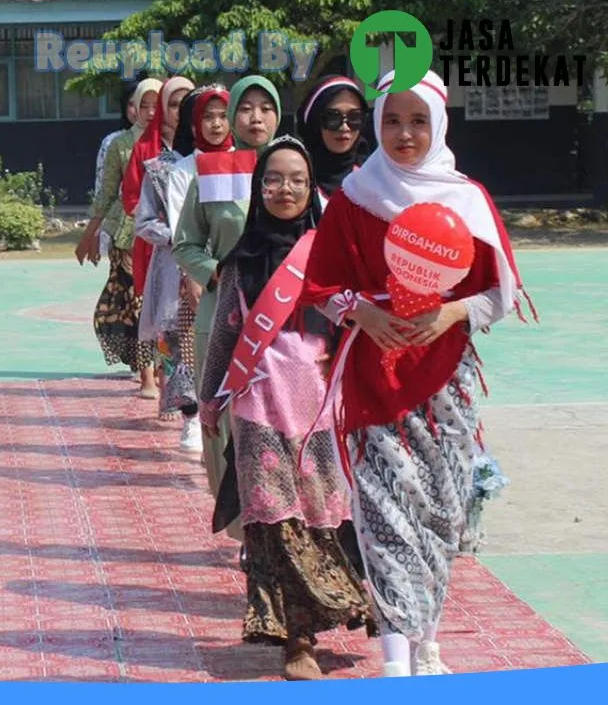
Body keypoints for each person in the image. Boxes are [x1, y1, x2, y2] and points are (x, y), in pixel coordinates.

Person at [299, 70, 532, 678]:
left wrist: (453, 309)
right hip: (374, 376)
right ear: (377, 124)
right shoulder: (355, 197)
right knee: (384, 514)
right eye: (393, 120)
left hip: (446, 380)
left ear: (439, 124)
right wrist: (364, 313)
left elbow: (499, 291)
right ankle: (396, 659)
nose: (405, 133)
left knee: (441, 512)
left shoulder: (466, 199)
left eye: (418, 120)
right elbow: (320, 284)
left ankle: (427, 636)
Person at [198, 135, 376, 680]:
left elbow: (358, 331)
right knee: (274, 523)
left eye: (297, 179)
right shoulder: (242, 259)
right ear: (258, 188)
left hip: (322, 407)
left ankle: (330, 614)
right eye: (273, 179)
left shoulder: (330, 256)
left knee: (323, 517)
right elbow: (225, 334)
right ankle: (294, 640)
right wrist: (208, 401)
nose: (285, 189)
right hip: (259, 406)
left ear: (311, 188)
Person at [173, 75, 281, 548]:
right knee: (225, 421)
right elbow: (185, 242)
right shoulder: (211, 172)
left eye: (265, 108)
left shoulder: (295, 168)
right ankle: (243, 526)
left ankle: (276, 527)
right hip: (223, 319)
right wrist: (216, 272)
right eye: (246, 108)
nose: (255, 118)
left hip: (284, 321)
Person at [135, 84, 231, 443]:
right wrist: (193, 263)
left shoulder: (244, 162)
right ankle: (192, 413)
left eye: (223, 116)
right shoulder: (169, 170)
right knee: (184, 340)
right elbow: (164, 222)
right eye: (207, 116)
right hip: (182, 267)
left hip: (229, 267)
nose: (216, 125)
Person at [75, 78, 162, 393]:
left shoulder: (172, 144)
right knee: (138, 304)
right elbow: (107, 193)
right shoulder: (120, 145)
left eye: (157, 105)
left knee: (164, 305)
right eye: (144, 105)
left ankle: (165, 372)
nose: (151, 112)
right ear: (133, 108)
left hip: (164, 237)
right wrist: (90, 234)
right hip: (126, 235)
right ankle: (147, 376)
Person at [121, 76, 195, 400]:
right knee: (171, 329)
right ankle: (183, 405)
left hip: (214, 264)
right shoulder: (151, 157)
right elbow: (136, 205)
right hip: (164, 256)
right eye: (175, 105)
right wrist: (180, 236)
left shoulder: (224, 159)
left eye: (188, 103)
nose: (181, 113)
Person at [295, 77, 370, 202]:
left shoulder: (373, 178)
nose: (344, 127)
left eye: (354, 117)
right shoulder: (293, 178)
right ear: (315, 122)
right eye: (333, 118)